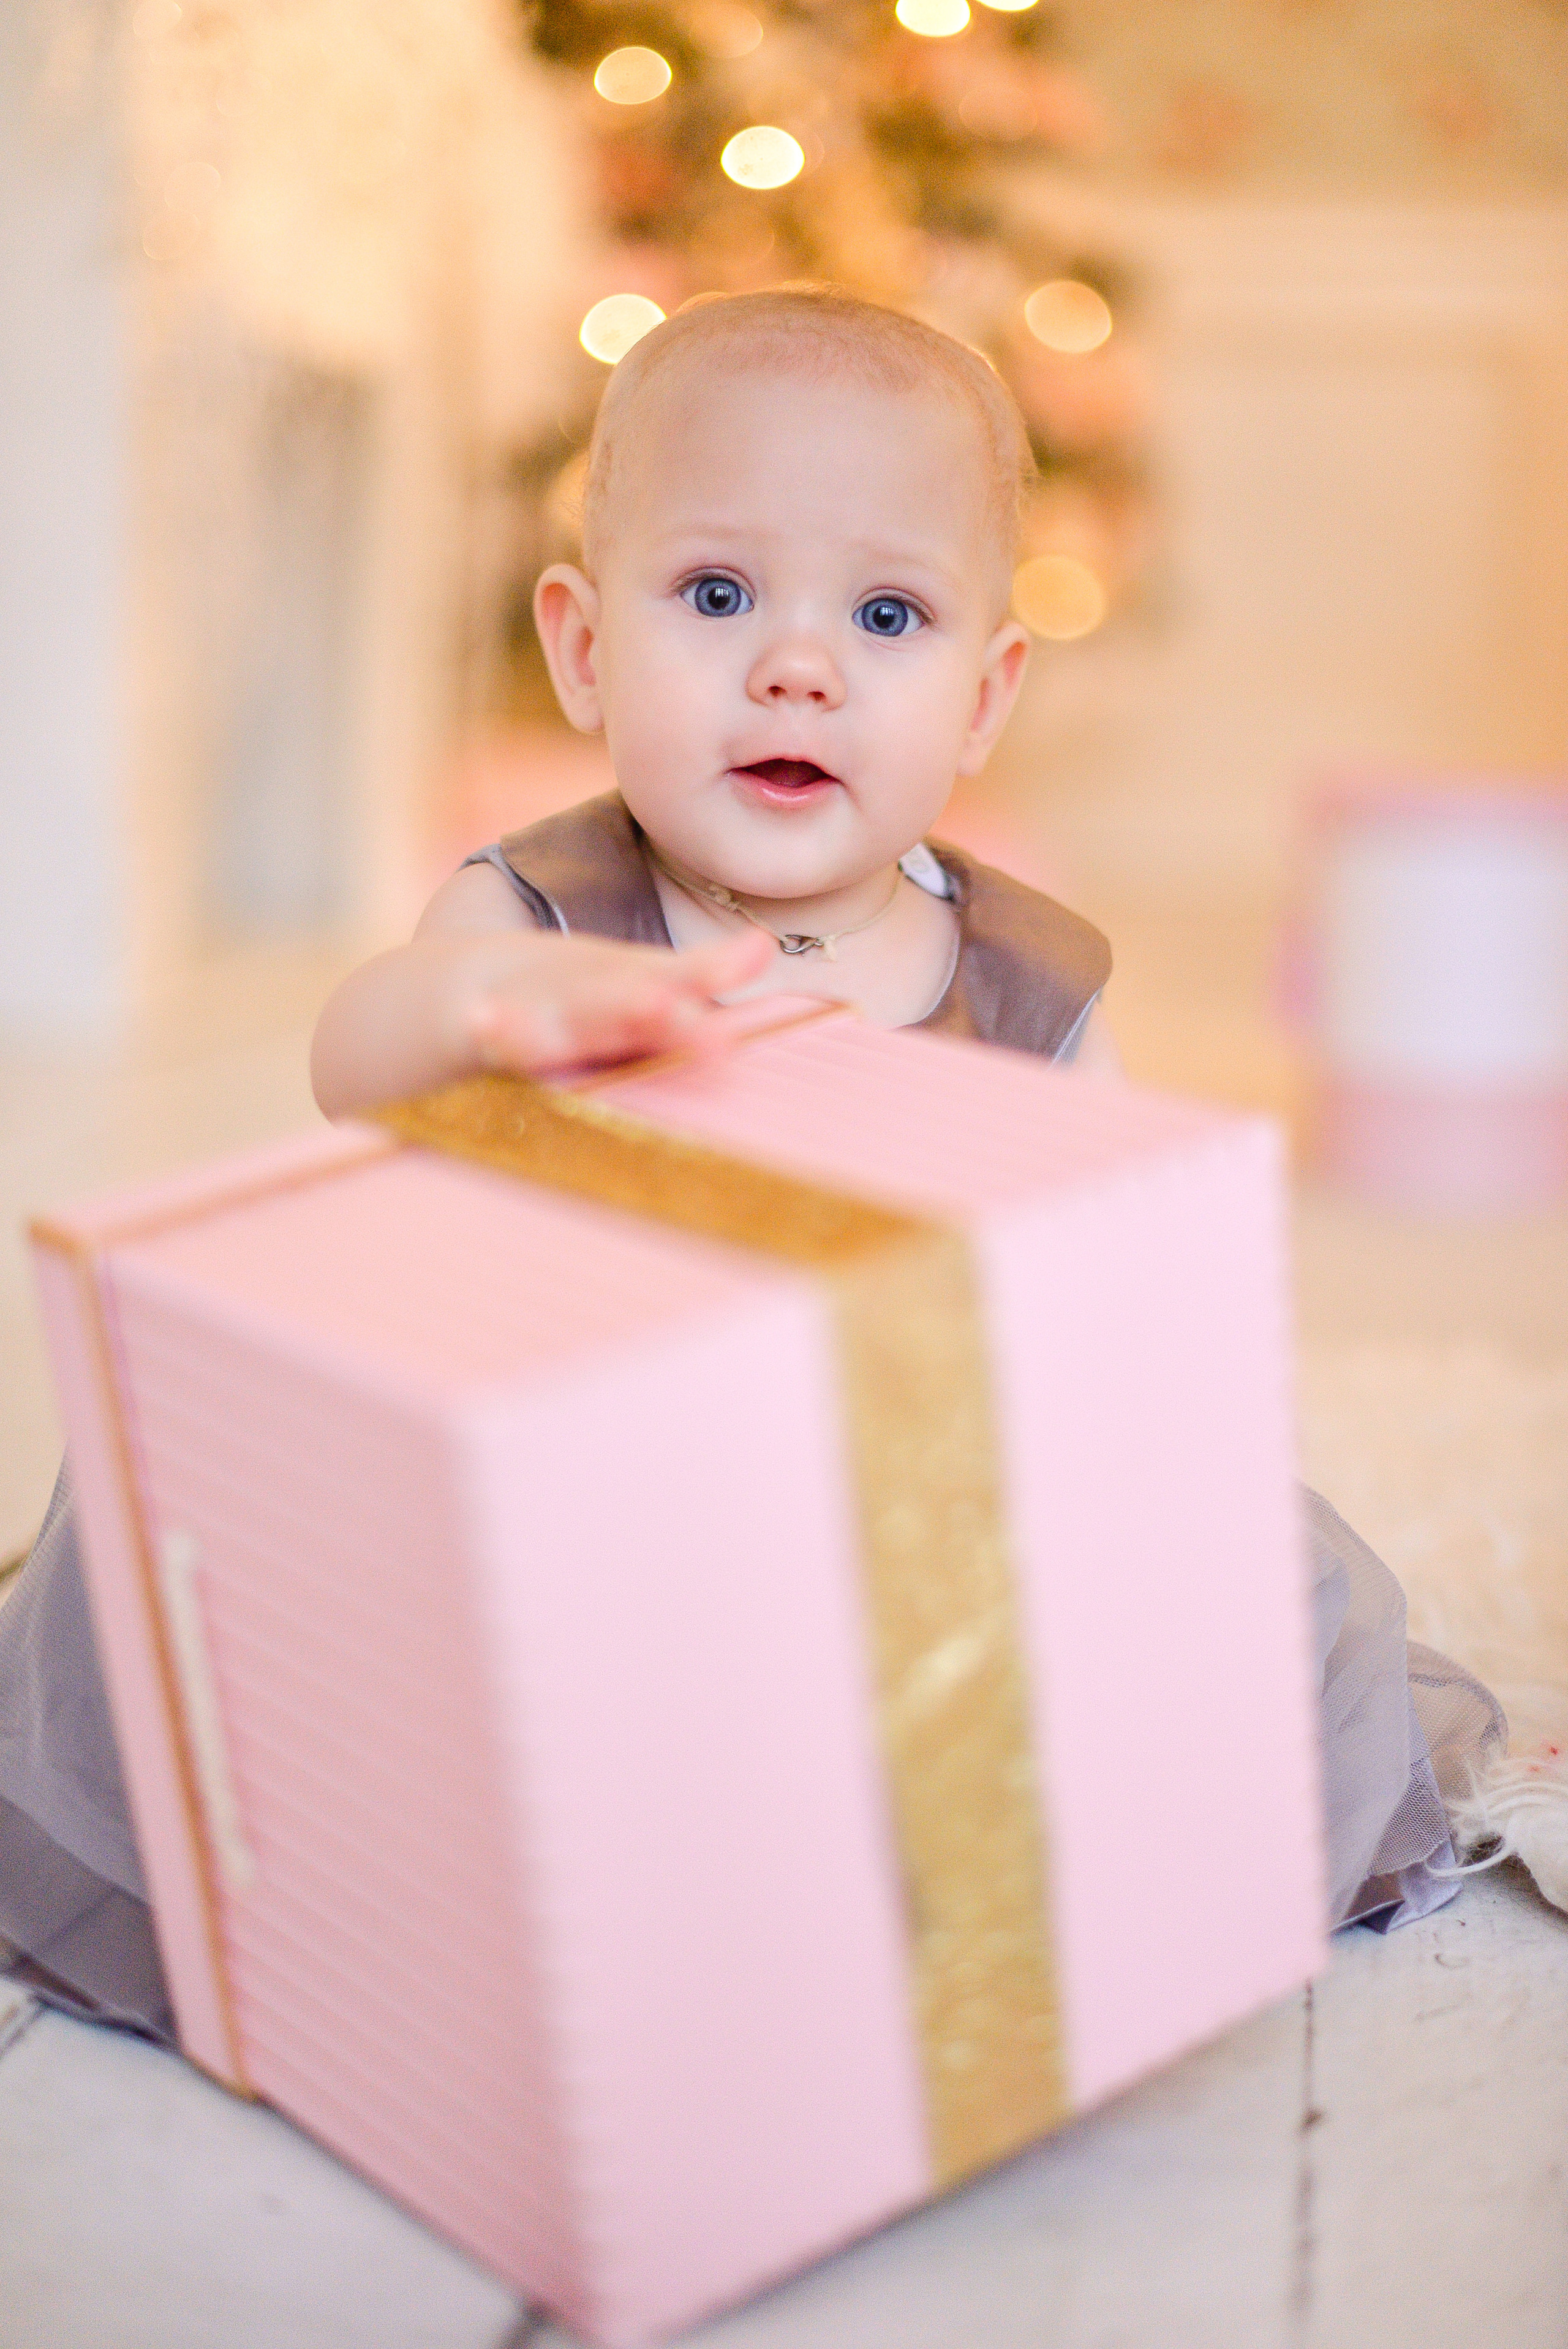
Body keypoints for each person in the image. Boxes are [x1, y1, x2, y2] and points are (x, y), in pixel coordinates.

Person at [0, 290, 1502, 2040]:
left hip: (869, 1493)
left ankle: (938, 1908)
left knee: (1232, 1572)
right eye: (716, 597)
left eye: (888, 612)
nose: (799, 664)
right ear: (579, 648)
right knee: (192, 1494)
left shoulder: (1031, 978)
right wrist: (493, 1003)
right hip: (570, 1469)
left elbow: (1118, 1257)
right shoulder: (538, 910)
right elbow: (358, 1063)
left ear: (987, 692)